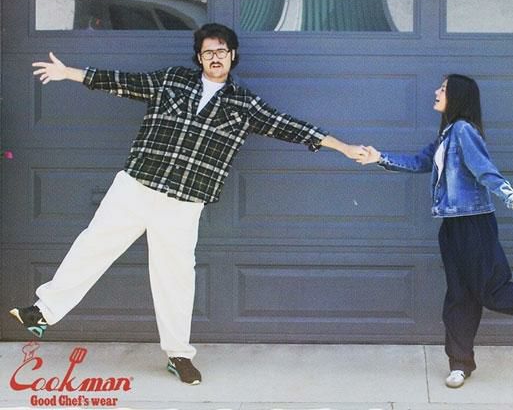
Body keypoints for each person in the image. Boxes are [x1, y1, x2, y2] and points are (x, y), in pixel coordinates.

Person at [10, 23, 363, 385]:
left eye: (221, 51)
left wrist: (344, 147)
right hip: (136, 186)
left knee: (175, 279)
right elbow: (122, 82)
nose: (215, 57)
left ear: (232, 56)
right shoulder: (172, 80)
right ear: (199, 57)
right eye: (208, 52)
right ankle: (43, 311)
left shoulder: (245, 104)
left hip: (184, 202)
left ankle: (178, 354)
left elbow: (290, 126)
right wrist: (68, 72)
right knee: (93, 246)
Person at [357, 74, 513, 389]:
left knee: (492, 292)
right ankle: (460, 364)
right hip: (452, 225)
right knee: (459, 296)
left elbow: (483, 168)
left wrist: (509, 195)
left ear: (458, 95)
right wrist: (379, 157)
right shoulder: (447, 134)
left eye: (443, 88)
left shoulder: (463, 130)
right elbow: (420, 161)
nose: (436, 91)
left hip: (474, 224)